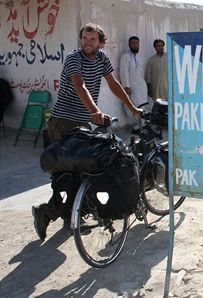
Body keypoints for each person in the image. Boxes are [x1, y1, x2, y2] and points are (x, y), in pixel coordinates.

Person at [32, 23, 143, 240]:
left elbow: (114, 84)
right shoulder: (75, 58)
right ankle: (60, 216)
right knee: (67, 175)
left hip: (82, 124)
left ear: (102, 42)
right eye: (84, 38)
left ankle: (60, 214)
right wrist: (95, 111)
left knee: (79, 172)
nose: (87, 43)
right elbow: (79, 85)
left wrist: (132, 107)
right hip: (63, 122)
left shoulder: (102, 59)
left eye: (92, 40)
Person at [119, 36, 148, 133]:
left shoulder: (140, 56)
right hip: (131, 87)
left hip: (141, 87)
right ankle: (136, 126)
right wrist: (126, 86)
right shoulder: (125, 56)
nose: (135, 45)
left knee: (142, 106)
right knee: (130, 107)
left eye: (136, 43)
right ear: (129, 44)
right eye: (133, 43)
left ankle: (143, 126)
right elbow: (124, 72)